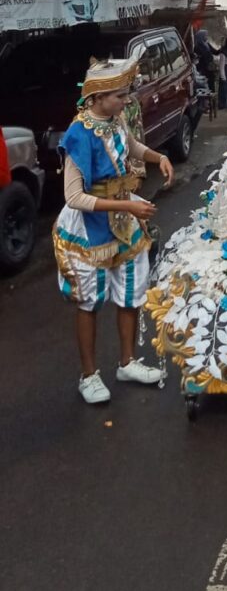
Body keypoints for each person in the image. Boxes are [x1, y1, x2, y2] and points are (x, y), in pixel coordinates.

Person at [52, 58, 174, 405]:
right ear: (97, 97)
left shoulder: (115, 119)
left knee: (130, 291)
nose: (127, 100)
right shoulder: (78, 135)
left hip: (123, 217)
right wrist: (130, 207)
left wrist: (157, 157)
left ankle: (127, 362)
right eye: (120, 95)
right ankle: (88, 376)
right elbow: (74, 197)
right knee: (89, 302)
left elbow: (130, 145)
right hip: (90, 228)